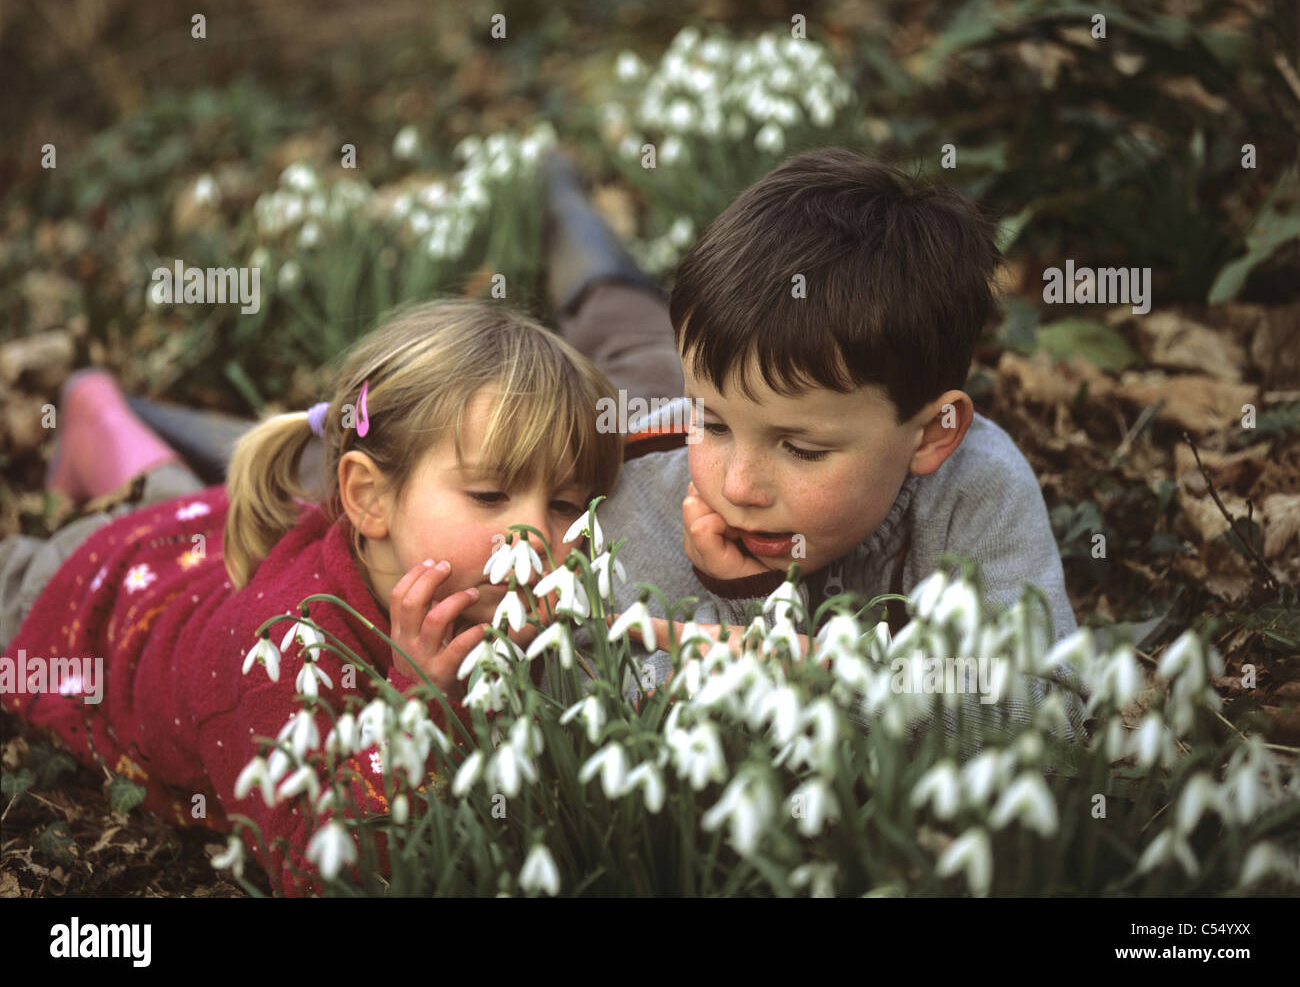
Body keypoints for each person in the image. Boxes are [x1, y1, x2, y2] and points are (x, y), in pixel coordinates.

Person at [0, 298, 623, 896]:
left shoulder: (479, 581)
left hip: (202, 540)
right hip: (95, 602)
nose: (537, 536)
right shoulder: (288, 653)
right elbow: (316, 869)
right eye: (490, 495)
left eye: (566, 505)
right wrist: (421, 703)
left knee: (168, 504)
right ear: (369, 499)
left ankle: (96, 417)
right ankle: (98, 428)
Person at [540, 149, 1089, 748]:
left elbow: (1046, 712)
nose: (737, 487)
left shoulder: (977, 485)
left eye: (801, 448)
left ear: (932, 434)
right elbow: (581, 682)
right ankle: (557, 192)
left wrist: (787, 661)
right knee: (608, 301)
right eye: (715, 427)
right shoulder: (634, 490)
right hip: (641, 389)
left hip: (715, 377)